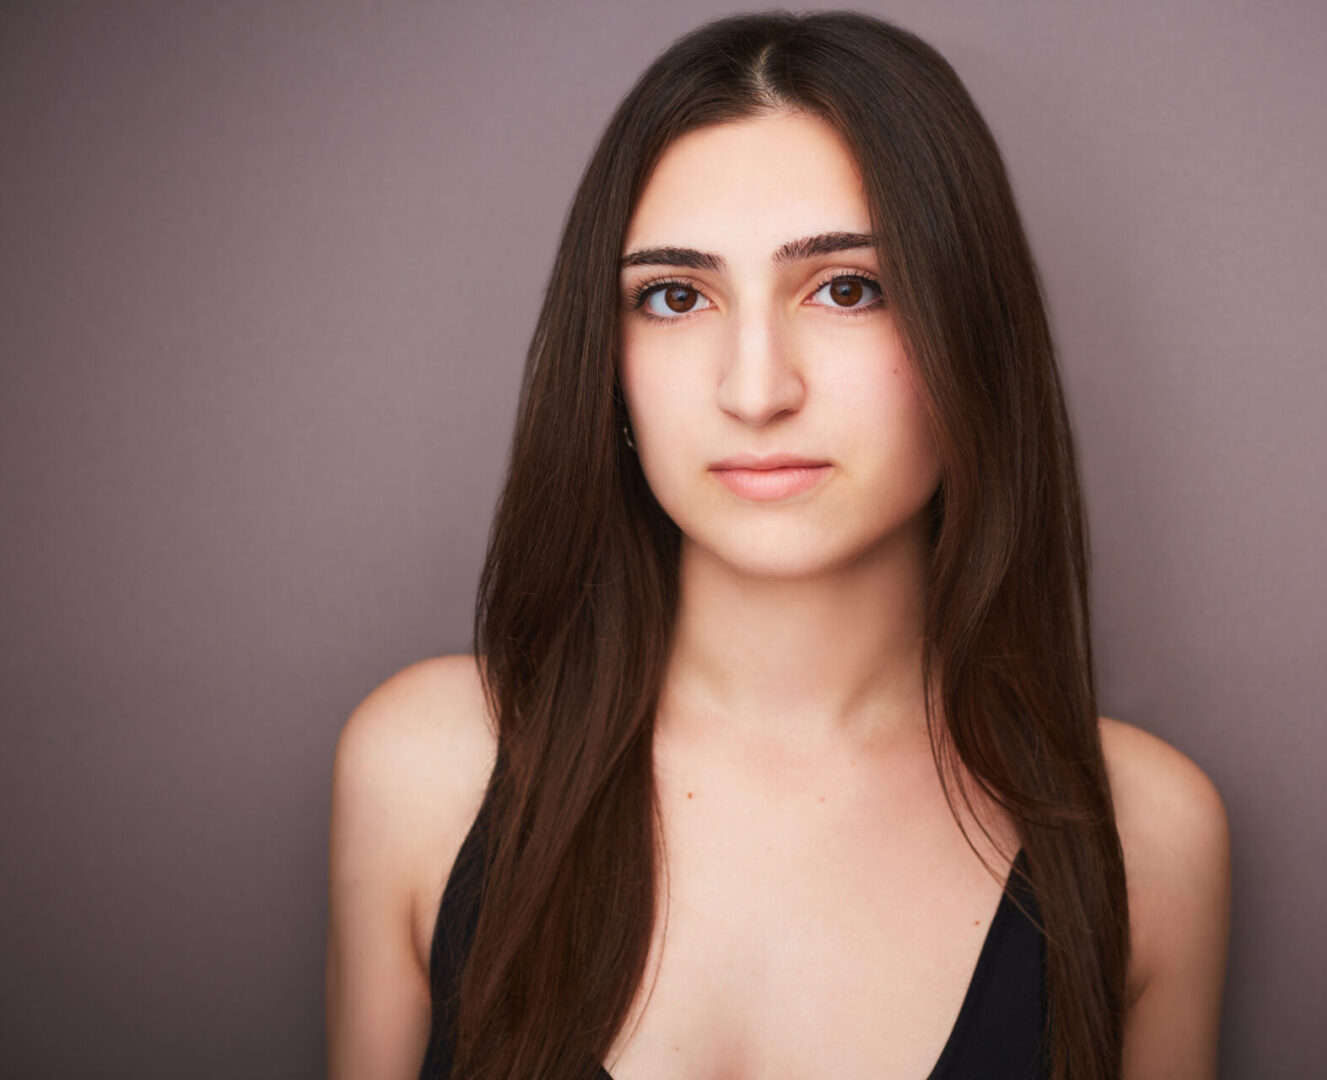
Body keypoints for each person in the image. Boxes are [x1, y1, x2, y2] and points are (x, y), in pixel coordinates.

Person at [326, 11, 1230, 1080]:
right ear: (606, 366)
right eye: (674, 297)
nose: (756, 391)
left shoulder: (1146, 837)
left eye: (848, 289)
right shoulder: (424, 770)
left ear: (970, 334)